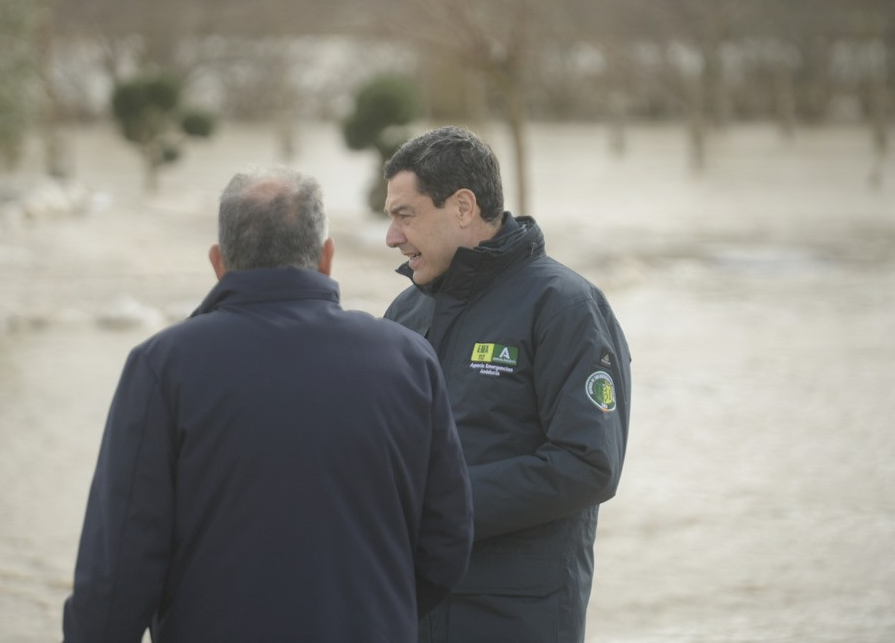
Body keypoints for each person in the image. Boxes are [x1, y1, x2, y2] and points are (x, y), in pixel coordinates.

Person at [63, 166, 473, 643]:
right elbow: (446, 540)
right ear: (327, 258)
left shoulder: (164, 367)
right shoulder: (409, 361)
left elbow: (117, 574)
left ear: (218, 263)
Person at [381, 126, 632, 643]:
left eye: (405, 216)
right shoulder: (404, 313)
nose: (392, 237)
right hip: (409, 610)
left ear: (463, 207)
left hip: (515, 617)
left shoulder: (564, 306)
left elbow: (588, 465)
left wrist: (442, 507)